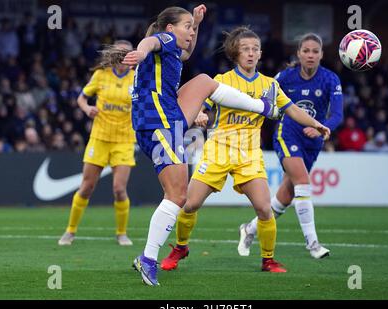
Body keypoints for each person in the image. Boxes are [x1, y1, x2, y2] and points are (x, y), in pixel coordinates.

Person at [122, 5, 284, 286]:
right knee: (177, 196)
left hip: (165, 119)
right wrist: (142, 50)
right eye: (186, 26)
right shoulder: (165, 40)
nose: (191, 32)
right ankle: (148, 259)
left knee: (204, 81)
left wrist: (195, 22)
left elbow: (186, 52)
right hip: (160, 124)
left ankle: (263, 107)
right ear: (170, 29)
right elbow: (151, 41)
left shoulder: (173, 50)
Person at [160, 27, 331, 274]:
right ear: (235, 53)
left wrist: (316, 123)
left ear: (260, 53)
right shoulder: (221, 81)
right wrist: (198, 114)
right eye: (245, 49)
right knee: (189, 204)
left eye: (254, 49)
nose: (250, 53)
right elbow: (200, 103)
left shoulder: (270, 85)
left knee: (264, 208)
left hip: (249, 154)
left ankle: (268, 259)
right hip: (218, 150)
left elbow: (292, 110)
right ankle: (180, 247)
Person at [238, 33, 343, 259]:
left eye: (315, 51)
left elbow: (337, 114)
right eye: (306, 51)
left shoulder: (330, 79)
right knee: (303, 182)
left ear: (322, 54)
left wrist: (321, 128)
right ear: (299, 53)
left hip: (313, 141)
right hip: (288, 134)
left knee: (285, 196)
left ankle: (249, 229)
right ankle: (313, 243)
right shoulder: (285, 77)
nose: (310, 55)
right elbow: (264, 99)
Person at [58, 40, 136, 246]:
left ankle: (122, 233)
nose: (124, 56)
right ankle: (70, 231)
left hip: (124, 140)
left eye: (128, 53)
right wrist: (87, 109)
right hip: (99, 138)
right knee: (86, 187)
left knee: (119, 189)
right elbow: (81, 99)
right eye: (120, 52)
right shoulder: (101, 75)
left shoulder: (137, 79)